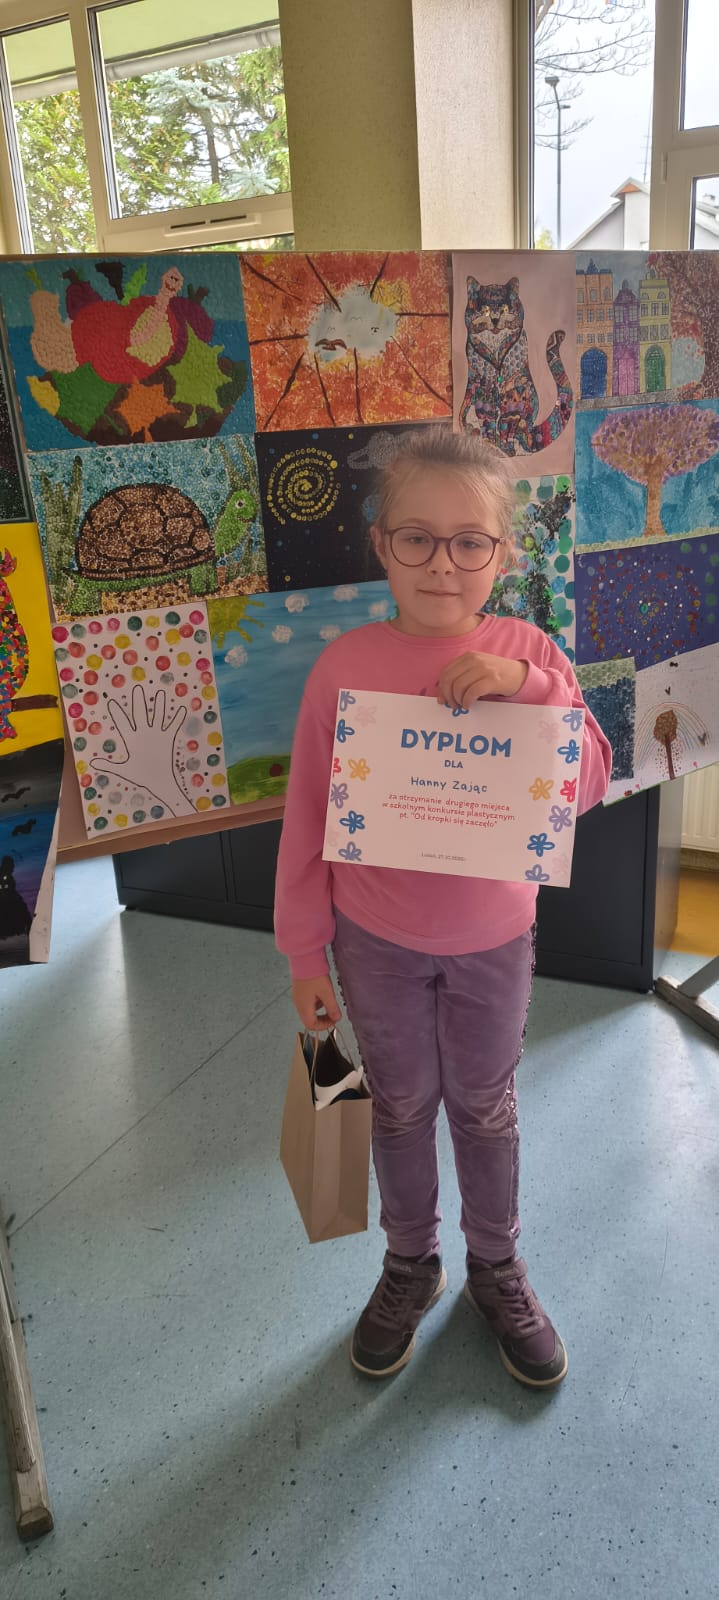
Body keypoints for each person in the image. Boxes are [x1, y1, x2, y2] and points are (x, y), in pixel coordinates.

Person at [274, 426, 612, 1388]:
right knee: (398, 1104)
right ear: (380, 545)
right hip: (372, 940)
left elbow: (588, 780)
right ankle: (410, 1262)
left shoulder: (527, 652)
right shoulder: (343, 667)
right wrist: (304, 956)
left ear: (502, 555)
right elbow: (306, 820)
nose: (442, 563)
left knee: (484, 1105)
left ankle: (495, 1264)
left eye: (470, 542)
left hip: (493, 939)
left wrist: (529, 689)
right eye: (416, 538)